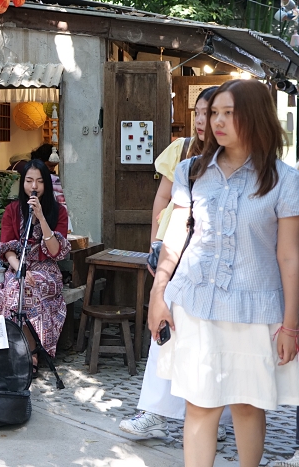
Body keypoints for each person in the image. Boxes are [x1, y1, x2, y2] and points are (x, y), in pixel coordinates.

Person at [150, 79, 299, 467]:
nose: (217, 121)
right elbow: (175, 238)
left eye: (228, 113)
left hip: (256, 310)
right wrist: (158, 296)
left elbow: (289, 257)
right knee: (200, 405)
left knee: (249, 406)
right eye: (214, 112)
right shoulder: (190, 171)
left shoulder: (284, 179)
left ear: (254, 117)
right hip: (196, 304)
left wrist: (291, 325)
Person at [120, 87, 228, 440]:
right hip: (174, 254)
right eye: (198, 112)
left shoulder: (236, 159)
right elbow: (162, 200)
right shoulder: (182, 151)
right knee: (164, 330)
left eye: (209, 113)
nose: (201, 120)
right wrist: (155, 244)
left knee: (215, 336)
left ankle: (216, 417)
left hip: (213, 260)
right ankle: (154, 412)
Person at [0, 159, 70, 372]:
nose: (34, 186)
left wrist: (41, 218)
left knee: (21, 290)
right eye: (29, 181)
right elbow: (6, 248)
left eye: (39, 181)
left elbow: (56, 251)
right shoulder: (12, 210)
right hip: (17, 268)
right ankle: (6, 352)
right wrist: (19, 268)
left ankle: (31, 354)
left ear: (46, 184)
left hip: (46, 271)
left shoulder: (59, 212)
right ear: (23, 183)